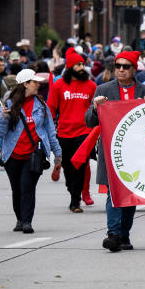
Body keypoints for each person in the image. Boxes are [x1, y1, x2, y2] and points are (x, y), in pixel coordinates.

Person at [85, 51, 145, 252]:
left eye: (126, 66)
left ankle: (124, 234)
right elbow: (90, 122)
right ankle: (113, 234)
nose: (121, 70)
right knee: (113, 193)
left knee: (130, 195)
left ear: (134, 69)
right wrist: (95, 107)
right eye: (118, 66)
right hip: (111, 151)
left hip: (137, 153)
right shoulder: (103, 88)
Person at [0, 69, 62, 234]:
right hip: (12, 155)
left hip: (34, 154)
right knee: (17, 189)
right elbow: (0, 133)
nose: (38, 84)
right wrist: (3, 118)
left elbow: (50, 131)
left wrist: (57, 153)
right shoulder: (9, 104)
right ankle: (19, 219)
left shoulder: (41, 105)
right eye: (34, 82)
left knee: (27, 188)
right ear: (25, 84)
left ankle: (27, 221)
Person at [46, 49, 96, 212]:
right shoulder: (59, 85)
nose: (82, 67)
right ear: (69, 67)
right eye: (78, 64)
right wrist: (47, 128)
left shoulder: (91, 86)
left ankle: (75, 200)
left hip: (84, 133)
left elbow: (96, 110)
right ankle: (72, 190)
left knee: (81, 165)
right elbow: (51, 107)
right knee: (68, 166)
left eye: (83, 64)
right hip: (64, 132)